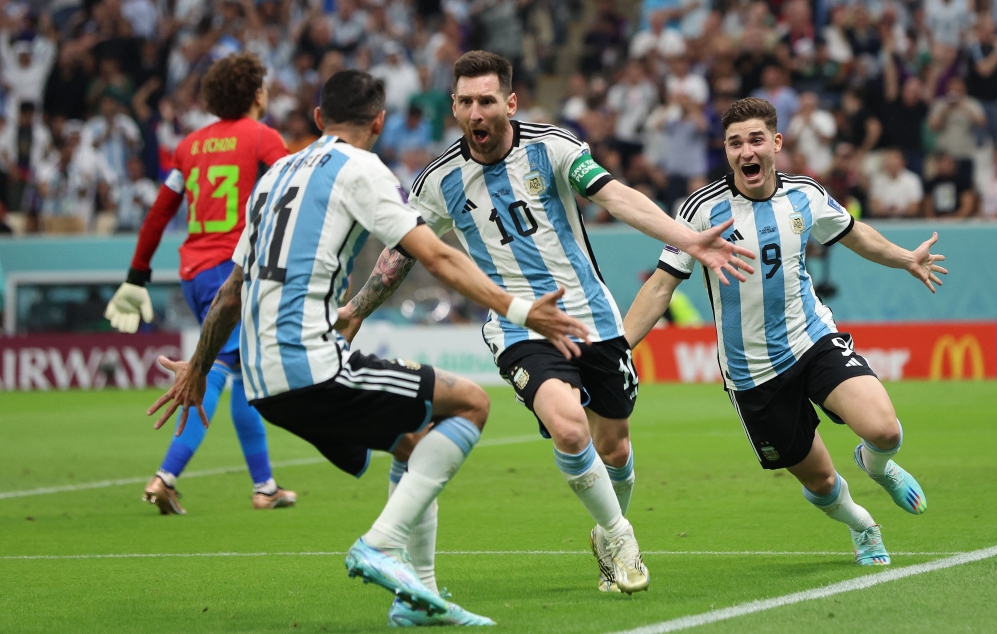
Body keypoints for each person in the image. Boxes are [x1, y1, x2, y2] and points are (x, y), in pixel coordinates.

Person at [148, 69, 589, 627]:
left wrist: (200, 368)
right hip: (310, 363)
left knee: (412, 442)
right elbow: (437, 256)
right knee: (472, 403)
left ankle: (418, 598)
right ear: (378, 122)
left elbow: (233, 291)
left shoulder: (276, 174)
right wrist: (523, 311)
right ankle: (380, 545)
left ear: (316, 119)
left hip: (261, 380)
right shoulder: (362, 169)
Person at [337, 51, 754, 596]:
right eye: (464, 102)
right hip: (518, 328)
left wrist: (683, 236)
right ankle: (621, 534)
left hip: (595, 322)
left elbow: (614, 195)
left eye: (487, 100)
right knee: (567, 425)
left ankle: (607, 535)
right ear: (455, 108)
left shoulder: (553, 148)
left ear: (509, 103)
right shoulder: (438, 182)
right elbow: (402, 254)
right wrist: (356, 310)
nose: (475, 113)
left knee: (616, 450)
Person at [624, 98, 946, 566]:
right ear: (727, 152)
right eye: (735, 143)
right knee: (819, 483)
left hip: (810, 338)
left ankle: (876, 465)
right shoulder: (700, 210)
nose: (745, 151)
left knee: (885, 430)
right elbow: (659, 287)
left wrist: (905, 258)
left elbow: (854, 233)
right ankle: (862, 525)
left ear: (775, 143)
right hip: (752, 371)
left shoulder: (805, 195)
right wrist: (617, 348)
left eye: (755, 139)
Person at [103, 53, 295, 515]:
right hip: (231, 273)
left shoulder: (189, 146)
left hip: (193, 272)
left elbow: (159, 213)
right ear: (256, 93)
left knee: (242, 370)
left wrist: (137, 275)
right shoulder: (261, 136)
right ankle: (166, 476)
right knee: (213, 370)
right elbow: (297, 181)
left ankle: (265, 486)